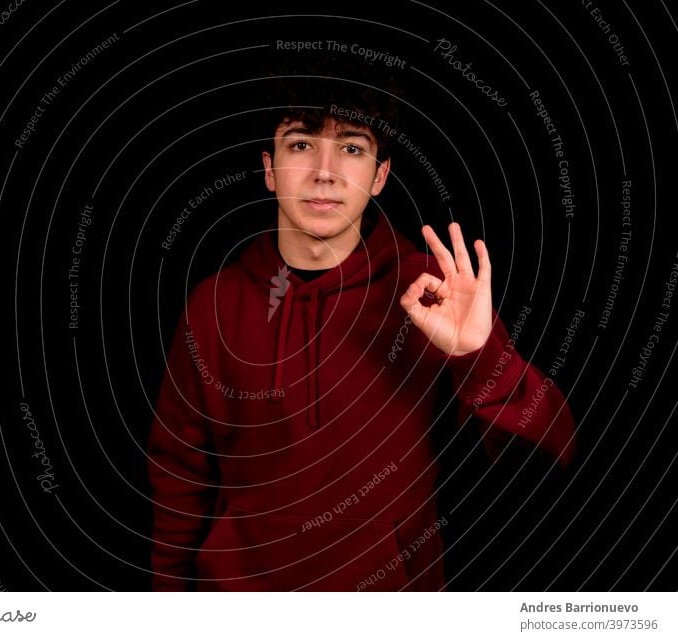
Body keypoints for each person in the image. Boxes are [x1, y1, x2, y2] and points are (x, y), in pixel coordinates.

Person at [147, 56, 576, 591]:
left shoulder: (431, 288)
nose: (324, 170)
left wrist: (479, 353)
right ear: (268, 167)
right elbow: (179, 477)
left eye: (351, 147)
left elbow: (554, 450)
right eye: (301, 143)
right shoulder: (213, 302)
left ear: (379, 175)